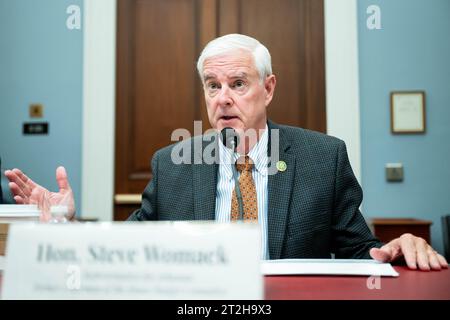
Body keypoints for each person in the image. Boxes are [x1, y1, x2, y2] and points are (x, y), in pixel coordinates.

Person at [5, 34, 447, 270]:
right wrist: (70, 227)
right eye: (212, 86)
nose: (223, 98)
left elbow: (358, 251)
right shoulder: (172, 164)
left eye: (238, 84)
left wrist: (396, 248)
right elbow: (128, 246)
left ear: (267, 88)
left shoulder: (322, 158)